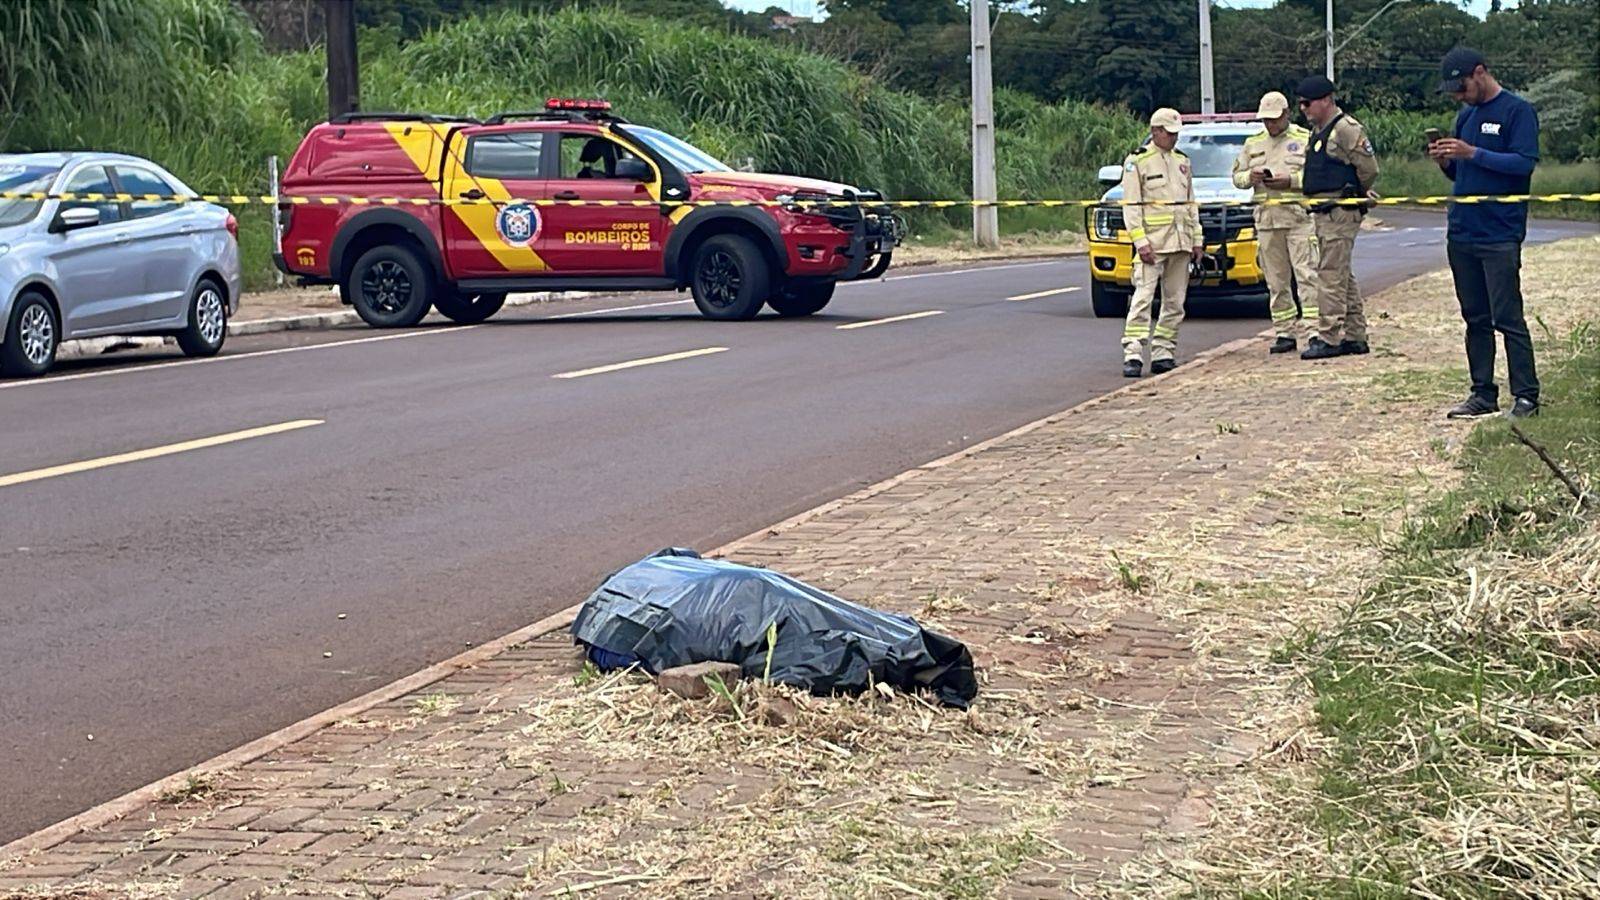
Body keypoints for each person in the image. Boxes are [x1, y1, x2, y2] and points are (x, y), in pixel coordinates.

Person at [1430, 47, 1541, 420]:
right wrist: (1448, 161)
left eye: (1461, 87)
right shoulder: (1465, 116)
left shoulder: (1517, 111)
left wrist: (1473, 153)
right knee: (1474, 317)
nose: (1459, 96)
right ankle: (1482, 392)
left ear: (1480, 72)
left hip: (1499, 232)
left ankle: (1525, 395)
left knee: (1507, 316)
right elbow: (1459, 176)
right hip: (1463, 231)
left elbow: (1523, 164)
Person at [1296, 75, 1379, 360]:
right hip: (1324, 210)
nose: (1304, 109)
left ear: (1326, 100)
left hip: (1339, 211)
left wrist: (1357, 192)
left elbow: (1368, 168)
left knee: (1330, 274)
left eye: (1307, 103)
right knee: (1342, 274)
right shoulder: (1319, 130)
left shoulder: (1345, 129)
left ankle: (1329, 336)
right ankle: (1355, 334)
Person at [1232, 90, 1320, 354]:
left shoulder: (1305, 139)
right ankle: (1284, 331)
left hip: (1299, 219)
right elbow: (1236, 177)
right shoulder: (1252, 143)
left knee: (1307, 275)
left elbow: (1318, 178)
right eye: (1265, 120)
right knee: (1276, 280)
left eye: (1274, 119)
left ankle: (1315, 330)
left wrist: (1290, 181)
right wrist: (1251, 176)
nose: (1270, 125)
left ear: (1286, 114)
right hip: (1267, 221)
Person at [1119, 107, 1203, 378]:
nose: (1174, 139)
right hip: (1152, 245)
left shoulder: (1182, 161)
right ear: (1155, 131)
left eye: (1176, 134)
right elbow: (1131, 206)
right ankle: (1133, 352)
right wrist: (1139, 241)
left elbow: (1191, 203)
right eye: (1169, 133)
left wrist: (1197, 239)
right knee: (1142, 299)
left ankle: (1163, 352)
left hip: (1180, 242)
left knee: (1175, 302)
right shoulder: (1138, 162)